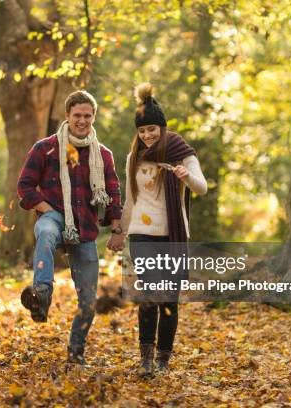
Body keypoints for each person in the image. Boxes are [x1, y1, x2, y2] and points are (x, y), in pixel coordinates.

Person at [16, 90, 124, 365]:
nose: (82, 120)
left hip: (85, 228)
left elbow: (112, 192)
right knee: (47, 232)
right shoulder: (46, 148)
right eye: (77, 115)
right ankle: (41, 294)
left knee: (88, 300)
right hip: (53, 214)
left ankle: (76, 352)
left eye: (87, 115)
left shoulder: (103, 155)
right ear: (67, 116)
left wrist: (116, 229)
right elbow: (25, 186)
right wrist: (47, 210)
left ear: (94, 117)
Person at [118, 82, 207, 376]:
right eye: (142, 131)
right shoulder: (135, 157)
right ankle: (145, 359)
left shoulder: (181, 153)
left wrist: (185, 176)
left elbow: (202, 187)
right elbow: (130, 199)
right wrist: (119, 231)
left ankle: (163, 361)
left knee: (169, 300)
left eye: (152, 130)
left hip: (173, 236)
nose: (147, 136)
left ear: (163, 127)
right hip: (142, 235)